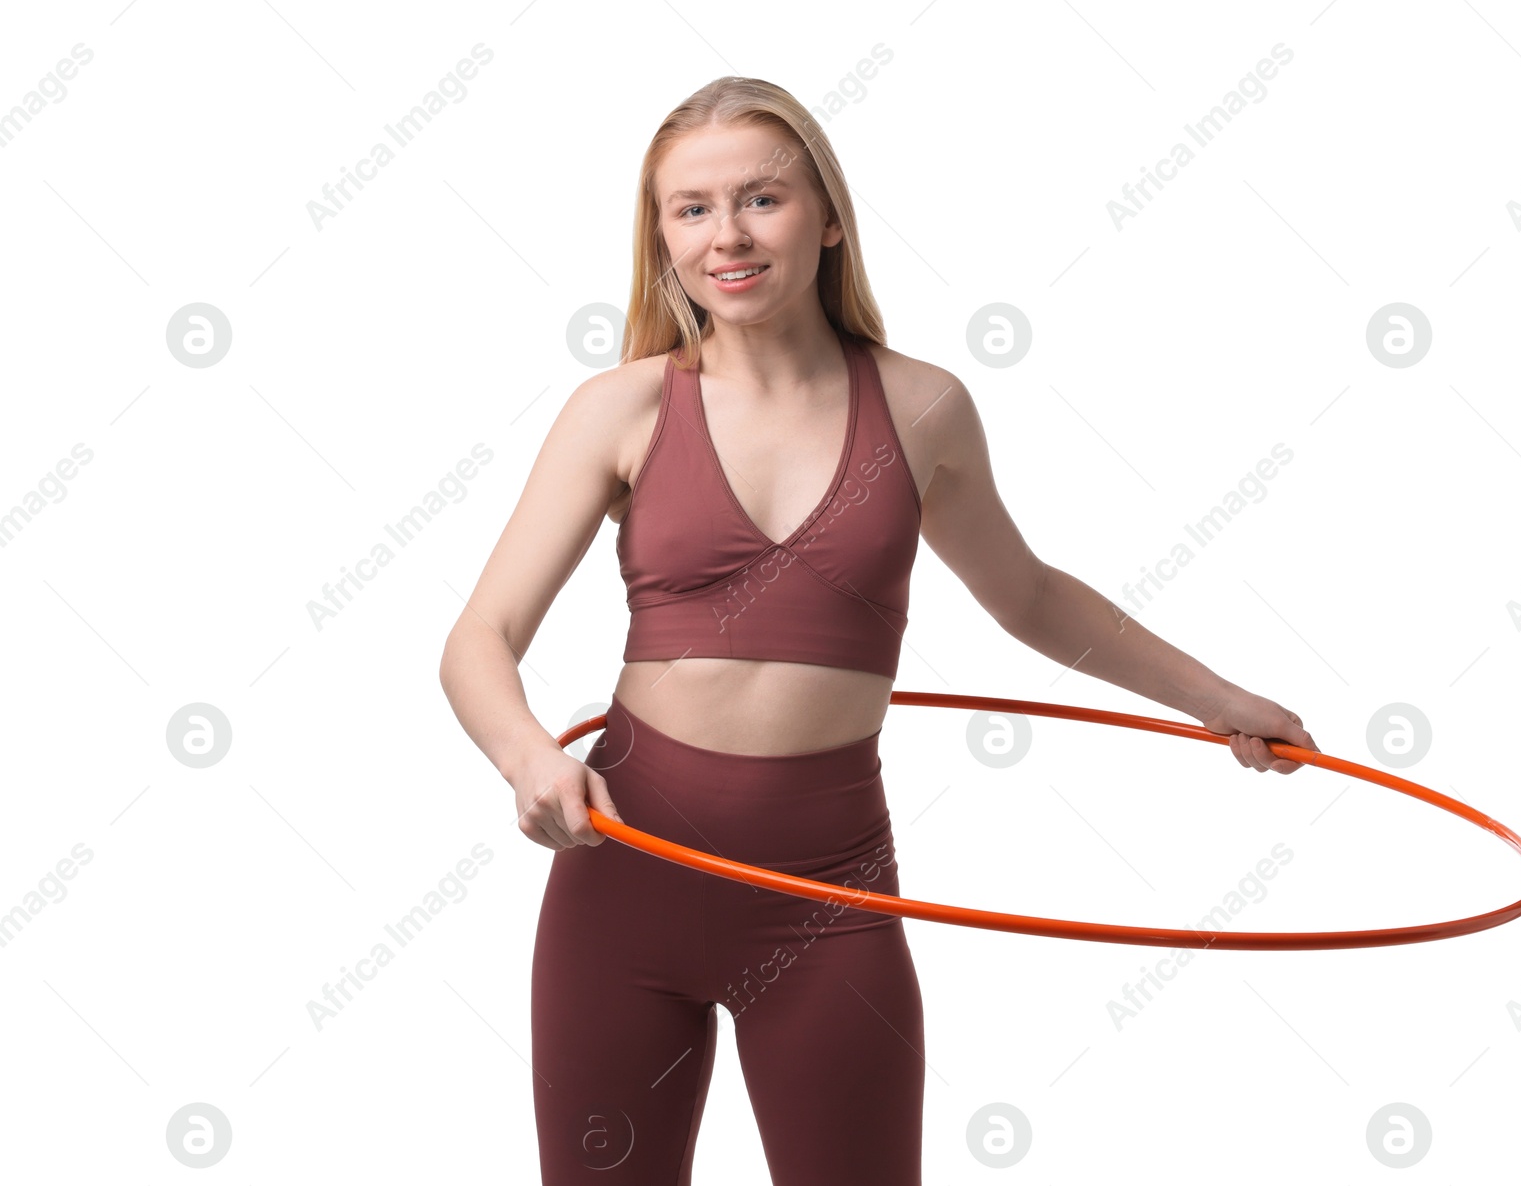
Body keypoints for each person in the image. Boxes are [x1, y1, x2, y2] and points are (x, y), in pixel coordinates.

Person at [437, 76, 1322, 1185]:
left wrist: (1217, 700)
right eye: (692, 209)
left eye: (761, 199)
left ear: (829, 215)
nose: (728, 237)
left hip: (826, 899)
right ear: (660, 235)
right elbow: (479, 638)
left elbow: (1031, 597)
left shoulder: (921, 408)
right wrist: (529, 761)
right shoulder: (621, 410)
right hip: (626, 877)